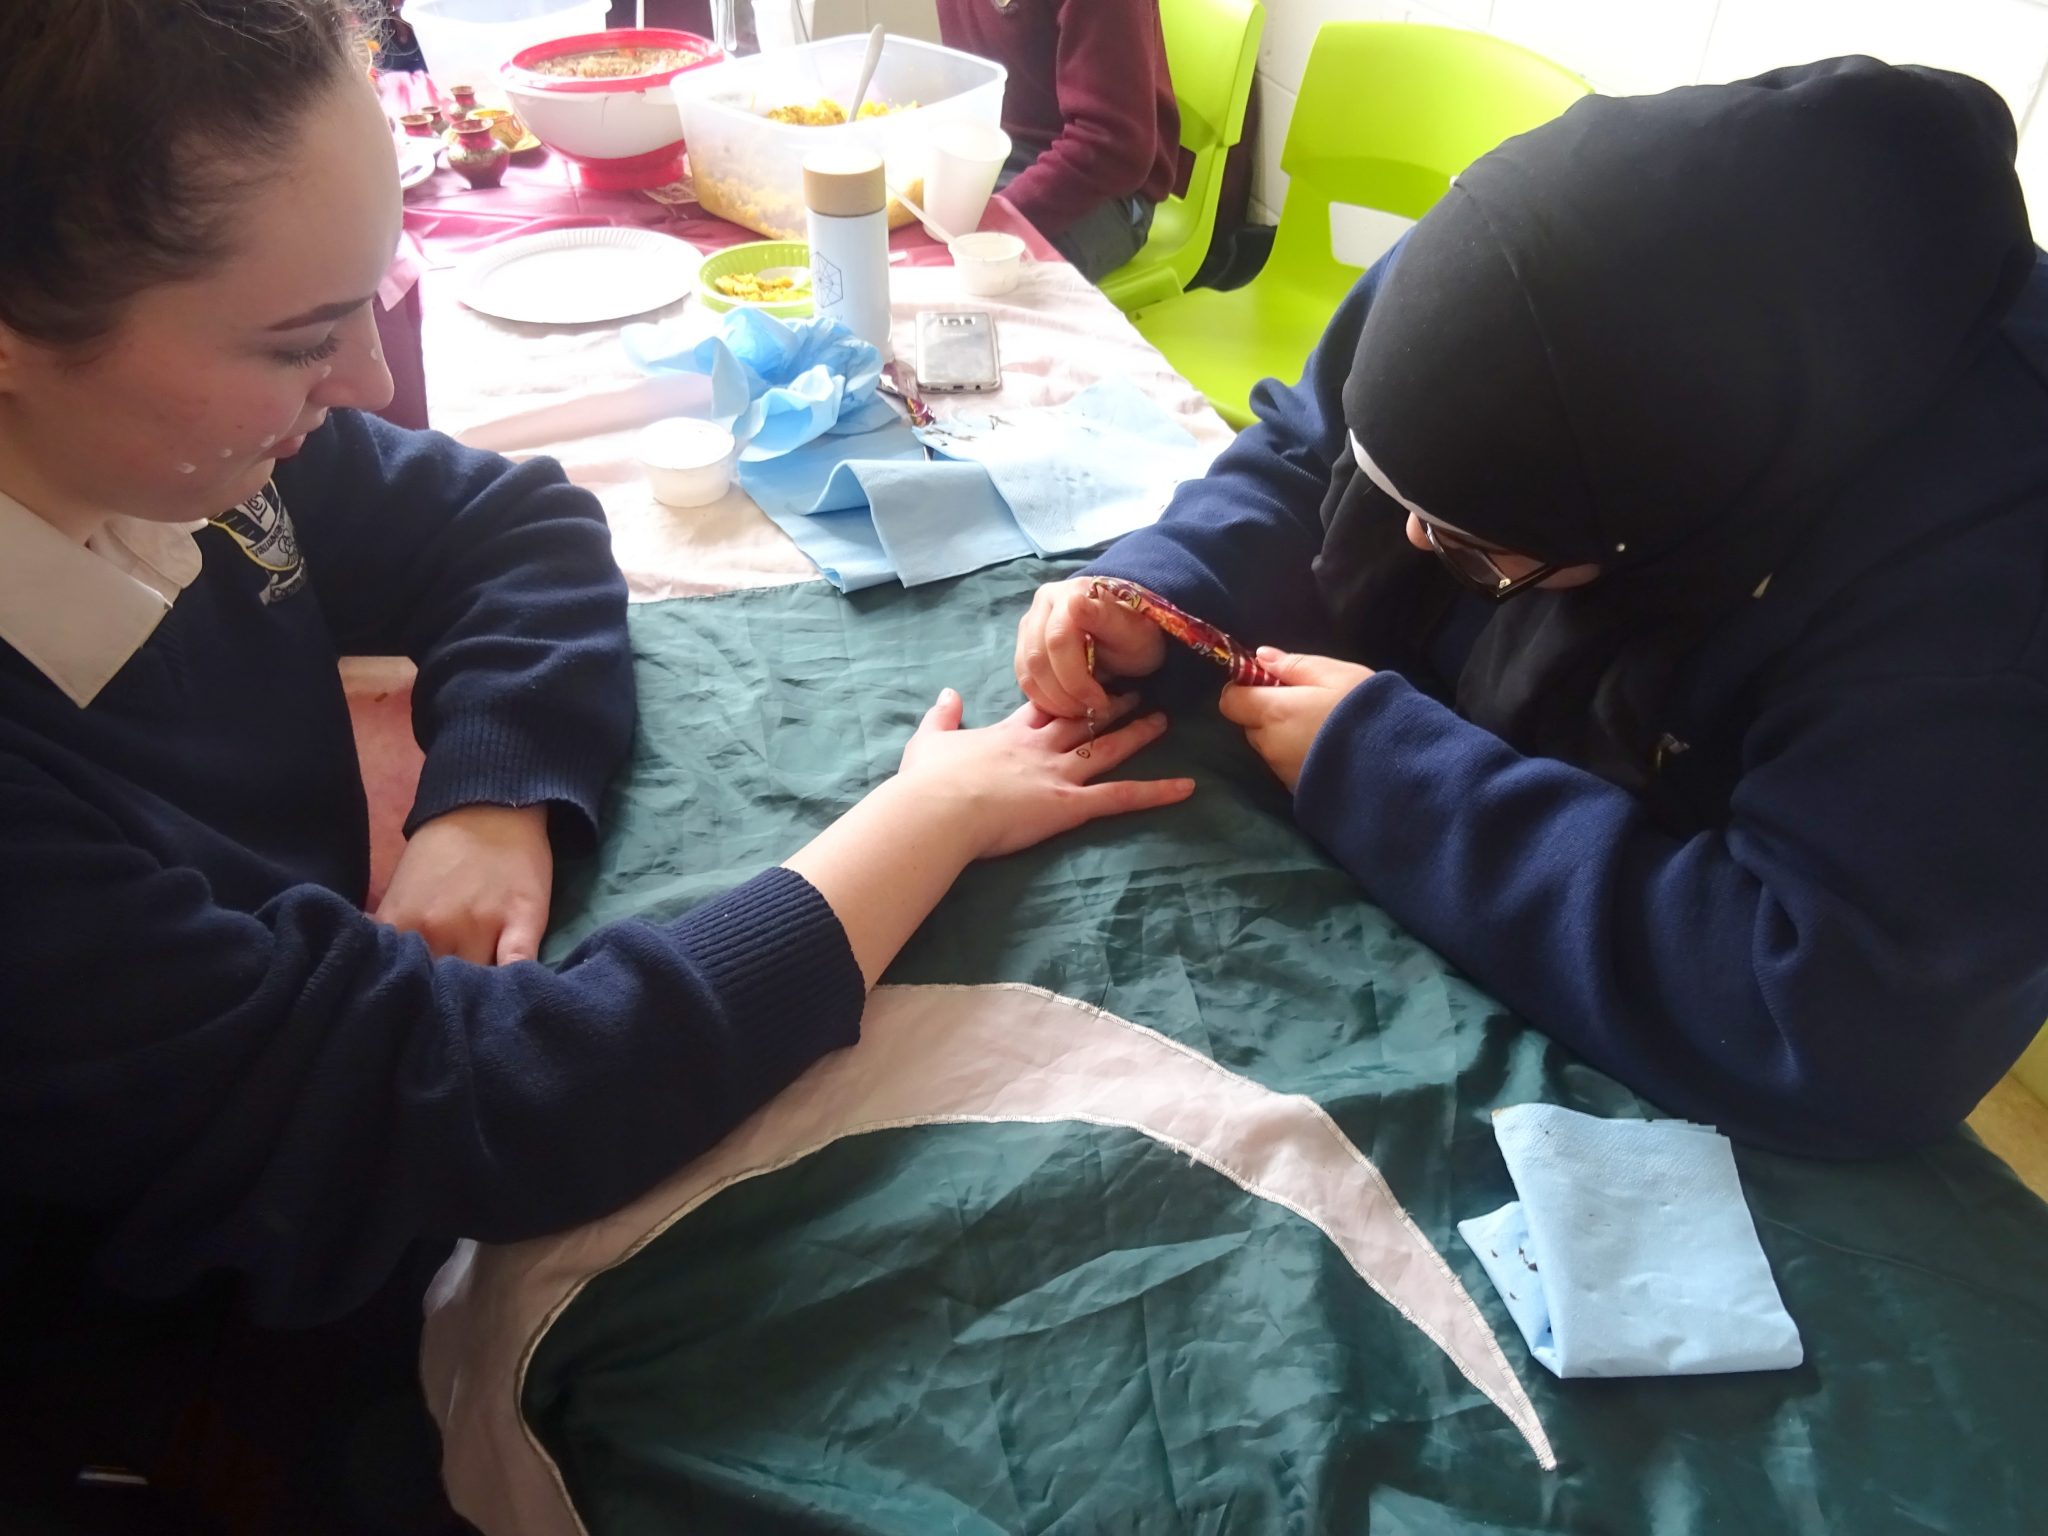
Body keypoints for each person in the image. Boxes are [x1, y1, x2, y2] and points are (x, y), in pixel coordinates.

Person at [0, 0, 1190, 1527]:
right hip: (153, 1374)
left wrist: (491, 793)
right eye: (297, 341)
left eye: (366, 307)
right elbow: (491, 1101)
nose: (367, 381)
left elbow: (512, 525)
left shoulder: (176, 455)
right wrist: (927, 817)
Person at [1015, 57, 2048, 1160]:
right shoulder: (1524, 252)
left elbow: (1838, 1024)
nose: (1408, 540)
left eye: (1470, 546)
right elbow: (1308, 450)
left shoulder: (1987, 565)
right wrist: (1170, 584)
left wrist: (1391, 776)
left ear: (1665, 529)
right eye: (1401, 503)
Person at [935, 0, 1180, 282]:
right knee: (902, 241)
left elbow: (1115, 147)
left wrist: (995, 220)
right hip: (1000, 149)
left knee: (963, 282)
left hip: (1109, 189)